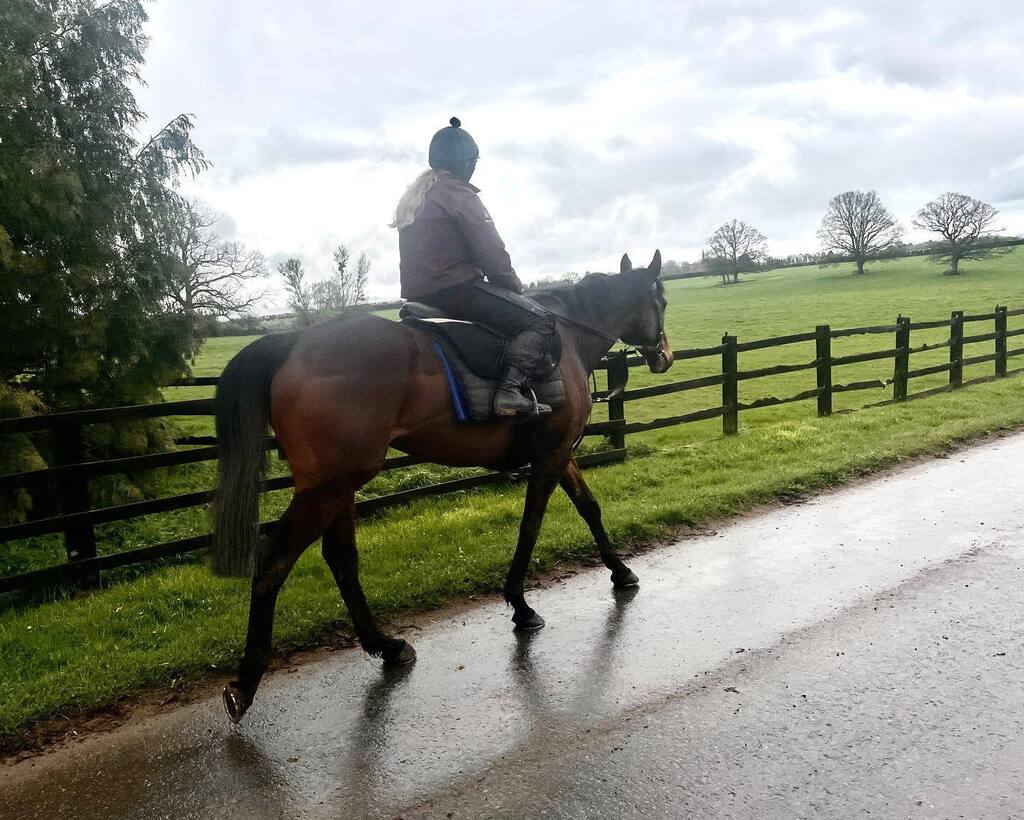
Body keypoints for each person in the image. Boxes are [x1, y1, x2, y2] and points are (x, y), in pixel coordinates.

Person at [393, 117, 555, 417]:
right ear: (467, 164)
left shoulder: (418, 197)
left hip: (420, 296)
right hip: (457, 292)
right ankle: (509, 393)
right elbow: (492, 254)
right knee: (541, 321)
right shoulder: (459, 195)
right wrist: (515, 288)